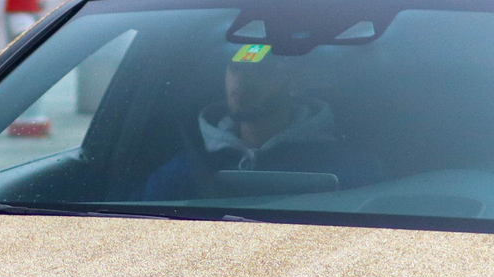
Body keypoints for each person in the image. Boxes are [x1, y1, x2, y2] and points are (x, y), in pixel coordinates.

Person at [142, 45, 382, 199]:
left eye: (261, 70)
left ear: (290, 80)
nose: (242, 81)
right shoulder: (185, 171)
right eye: (235, 68)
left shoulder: (349, 168)